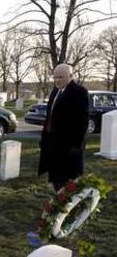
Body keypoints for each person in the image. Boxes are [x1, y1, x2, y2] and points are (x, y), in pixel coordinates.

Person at [38, 63, 89, 192]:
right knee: (55, 177)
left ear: (70, 76)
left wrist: (76, 145)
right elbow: (50, 115)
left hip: (69, 144)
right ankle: (56, 195)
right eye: (55, 77)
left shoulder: (79, 92)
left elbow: (82, 121)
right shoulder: (55, 91)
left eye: (60, 77)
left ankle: (66, 202)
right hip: (53, 142)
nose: (57, 80)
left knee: (68, 180)